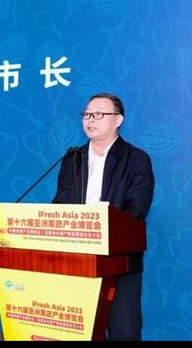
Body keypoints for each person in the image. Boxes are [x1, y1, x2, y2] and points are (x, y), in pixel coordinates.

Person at [53, 92, 154, 341]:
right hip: (76, 260)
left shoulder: (136, 159)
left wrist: (99, 231)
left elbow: (136, 210)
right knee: (80, 332)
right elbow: (61, 203)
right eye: (87, 114)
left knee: (123, 332)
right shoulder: (72, 159)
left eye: (98, 114)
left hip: (120, 262)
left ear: (118, 120)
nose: (90, 119)